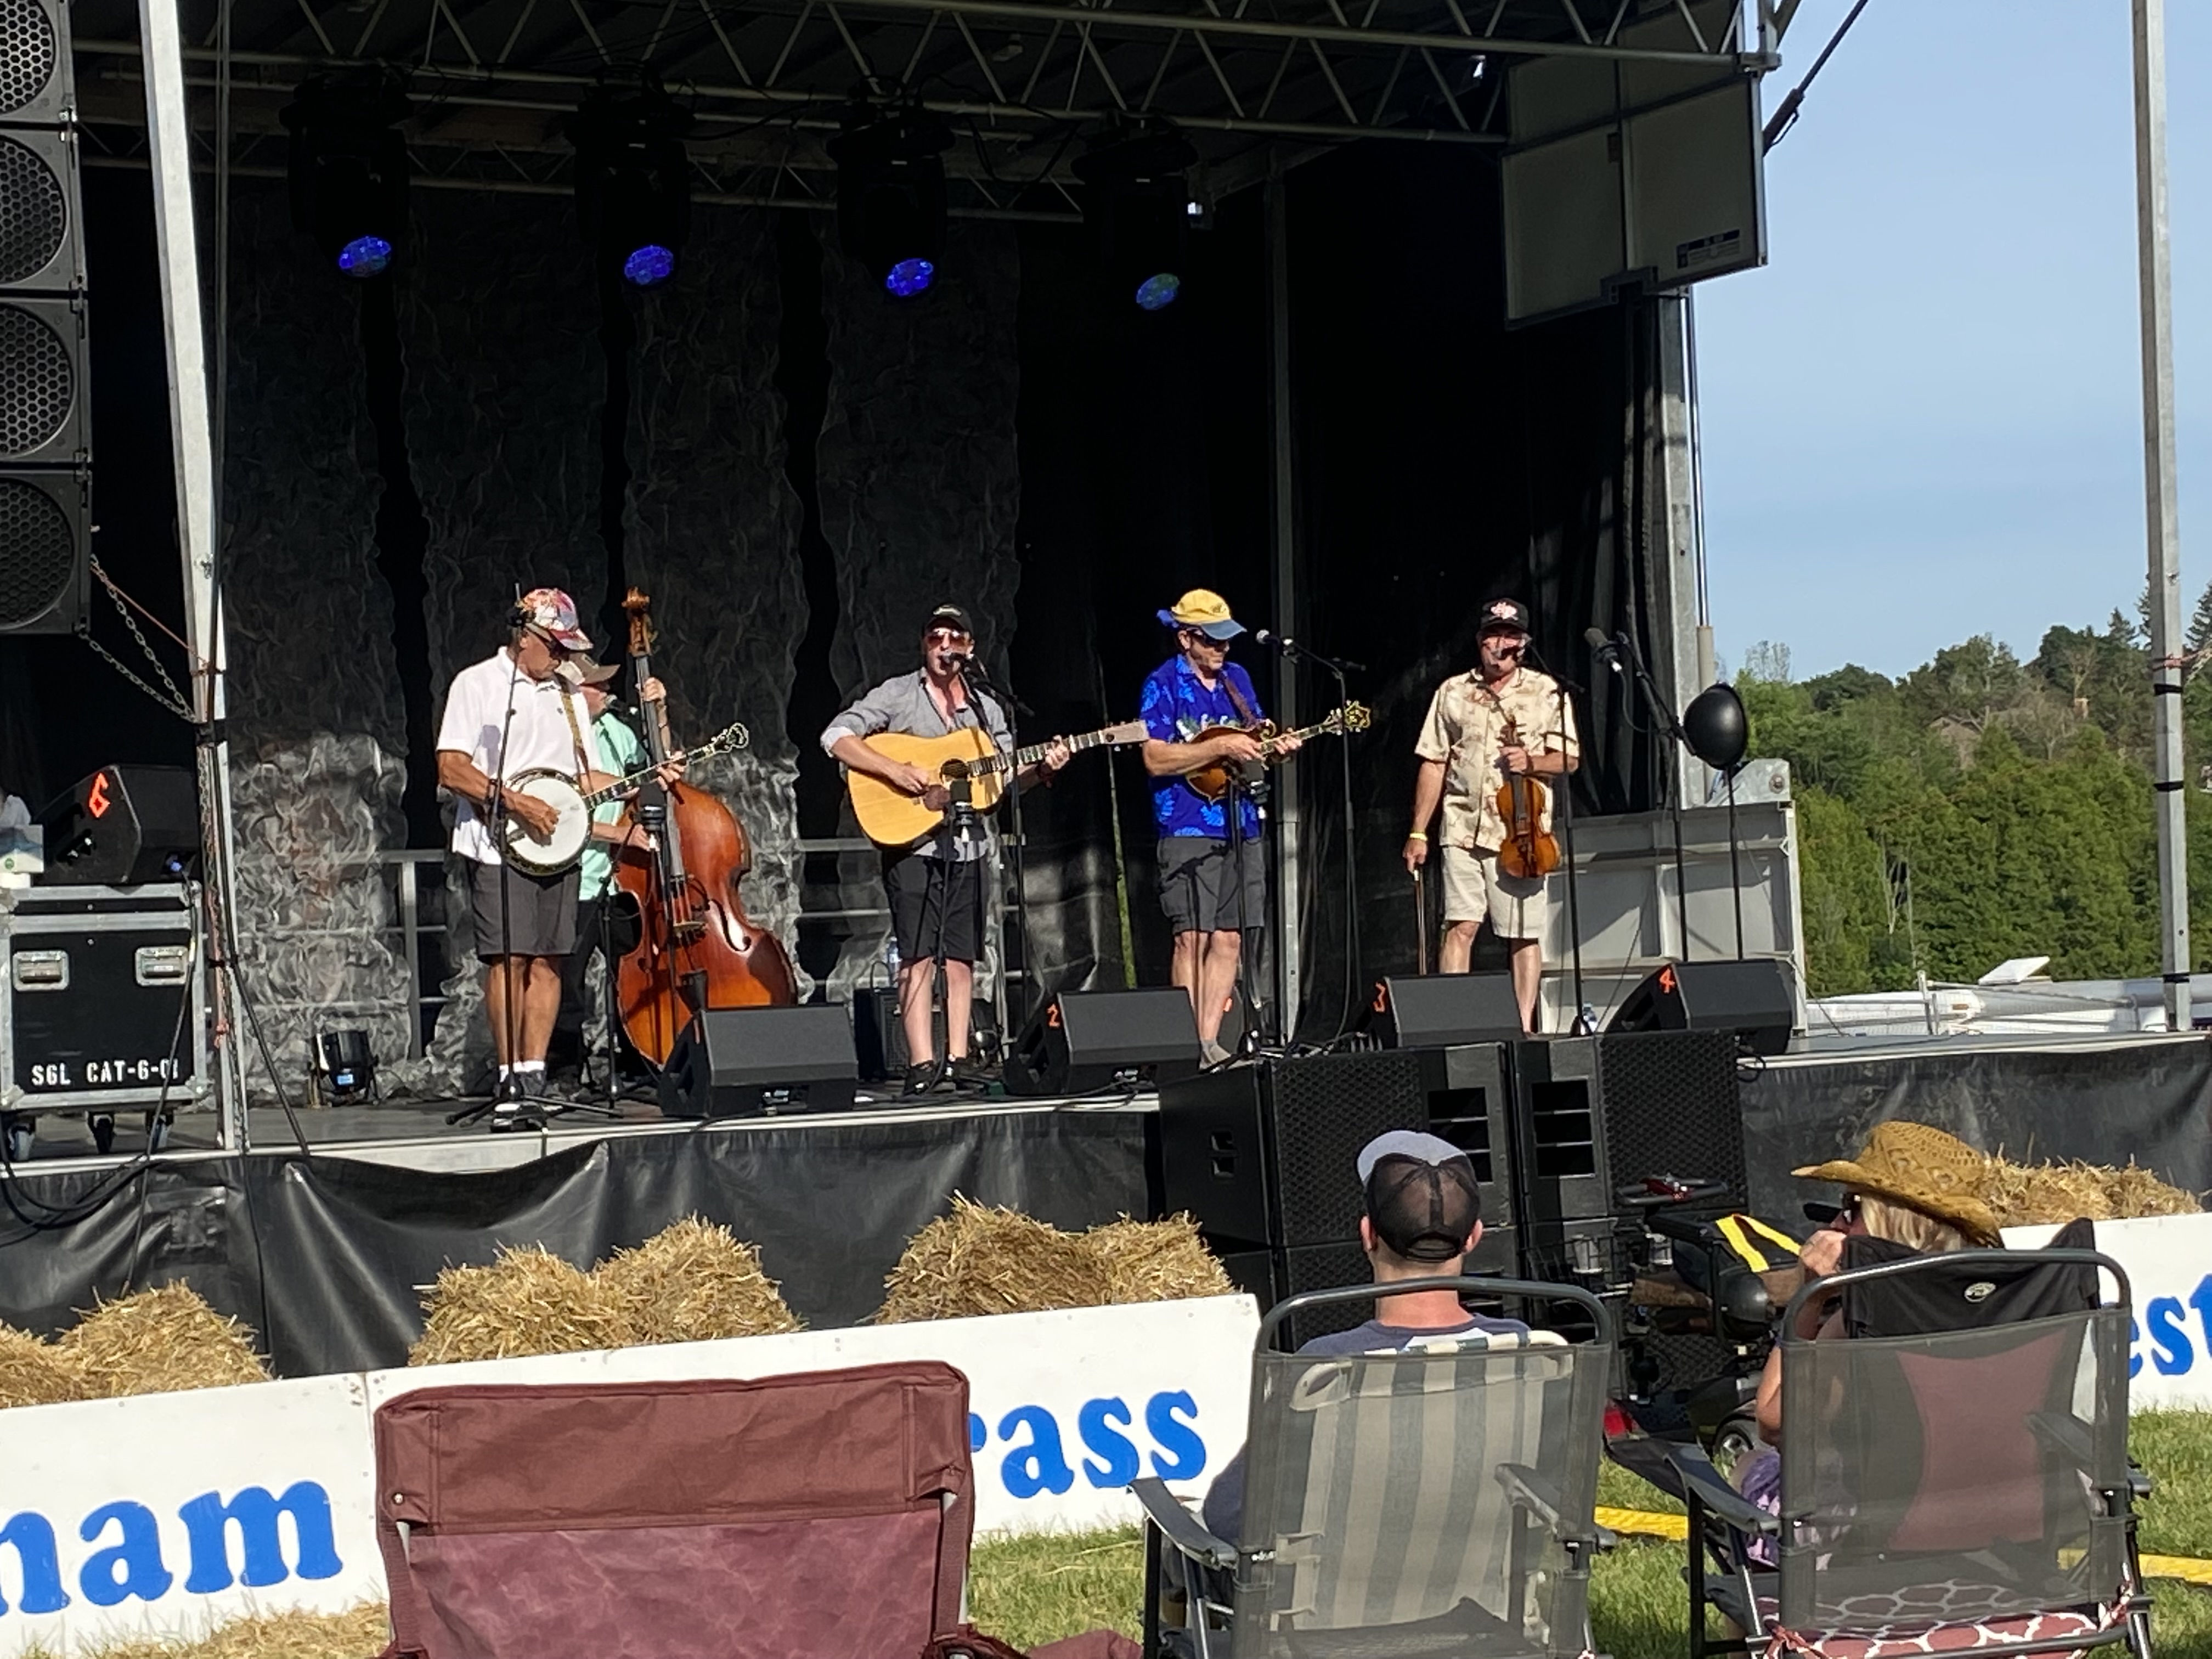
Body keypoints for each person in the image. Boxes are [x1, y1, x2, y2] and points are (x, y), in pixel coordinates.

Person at [1200, 1130, 1528, 1541]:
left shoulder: (1324, 1366)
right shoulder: (1524, 1350)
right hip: (1494, 1600)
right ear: (1474, 1237)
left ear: (1368, 1234)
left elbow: (1231, 1516)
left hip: (1341, 1600)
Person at [822, 605, 1070, 1095]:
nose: (943, 645)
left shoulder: (986, 710)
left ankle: (957, 1059)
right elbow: (835, 736)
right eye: (935, 636)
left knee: (960, 958)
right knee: (916, 956)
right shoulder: (898, 694)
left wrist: (1043, 769)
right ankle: (921, 1063)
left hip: (969, 845)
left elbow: (998, 784)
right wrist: (896, 772)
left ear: (969, 648)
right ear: (924, 646)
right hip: (912, 844)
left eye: (953, 637)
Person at [1732, 1121, 1999, 1553]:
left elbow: (1775, 1424)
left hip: (1875, 1540)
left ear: (1886, 1224)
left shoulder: (1864, 1324)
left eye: (1851, 1207)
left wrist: (1808, 1298)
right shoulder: (2003, 1307)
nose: (1837, 1221)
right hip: (1994, 1522)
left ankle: (1759, 1619)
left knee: (1749, 1469)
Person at [435, 588, 617, 1123]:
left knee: (549, 959)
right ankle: (509, 1075)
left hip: (558, 844)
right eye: (555, 647)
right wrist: (518, 803)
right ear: (525, 635)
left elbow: (584, 776)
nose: (563, 659)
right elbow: (451, 768)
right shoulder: (478, 685)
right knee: (509, 958)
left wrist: (641, 783)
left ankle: (534, 1077)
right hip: (498, 844)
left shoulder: (567, 692)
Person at [1139, 590, 1299, 1066]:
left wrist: (1272, 747)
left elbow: (1251, 739)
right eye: (1213, 642)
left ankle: (1210, 1045)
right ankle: (1184, 1046)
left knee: (1230, 935)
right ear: (1186, 638)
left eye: (1227, 642)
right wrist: (1220, 747)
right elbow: (1155, 756)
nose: (1222, 651)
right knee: (1193, 935)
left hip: (1241, 819)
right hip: (1187, 824)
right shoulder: (1163, 683)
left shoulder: (1238, 680)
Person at [1403, 597, 1578, 1032]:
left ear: (1523, 643)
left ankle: (1522, 1026)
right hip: (1461, 827)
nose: (1501, 644)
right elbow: (1434, 761)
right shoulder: (1453, 691)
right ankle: (1454, 1023)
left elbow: (1569, 759)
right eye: (1493, 636)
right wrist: (1418, 832)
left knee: (1522, 933)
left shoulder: (1547, 692)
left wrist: (1532, 761)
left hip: (1519, 835)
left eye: (1511, 636)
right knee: (1459, 925)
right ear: (1480, 641)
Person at [551, 660, 674, 1086]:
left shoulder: (615, 731)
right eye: (596, 684)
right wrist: (620, 832)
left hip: (620, 878)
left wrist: (659, 713)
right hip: (574, 876)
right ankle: (564, 1072)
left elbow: (657, 774)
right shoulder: (555, 739)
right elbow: (564, 811)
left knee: (633, 975)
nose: (607, 689)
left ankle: (639, 1058)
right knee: (569, 983)